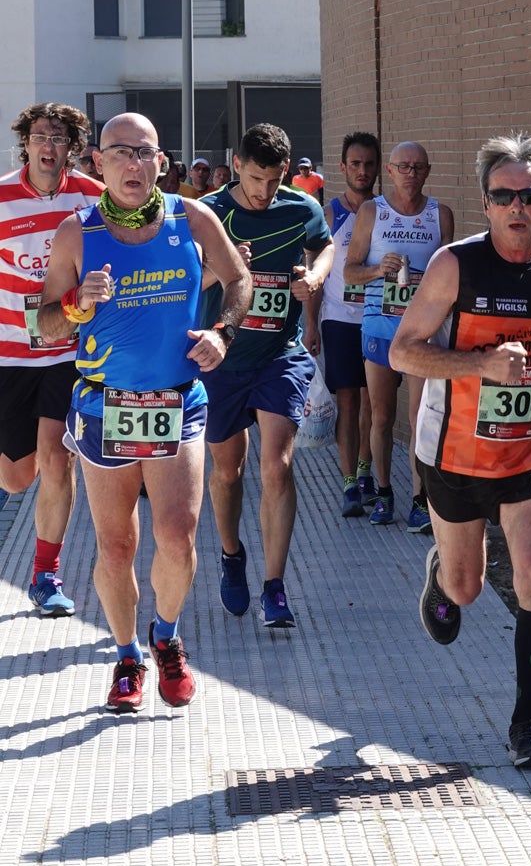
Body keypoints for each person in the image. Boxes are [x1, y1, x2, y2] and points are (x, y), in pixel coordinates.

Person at [390, 132, 531, 770]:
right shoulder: (456, 265)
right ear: (485, 204)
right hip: (454, 455)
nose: (517, 206)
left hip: (530, 453)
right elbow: (404, 350)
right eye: (502, 195)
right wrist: (481, 363)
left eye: (529, 195)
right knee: (466, 589)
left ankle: (526, 725)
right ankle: (441, 573)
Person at [37, 113, 252, 713]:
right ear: (97, 164)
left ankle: (168, 636)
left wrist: (223, 332)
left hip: (177, 402)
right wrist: (78, 304)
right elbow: (44, 321)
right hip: (105, 404)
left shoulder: (193, 217)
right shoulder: (76, 233)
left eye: (145, 153)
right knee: (115, 545)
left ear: (163, 162)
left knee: (178, 538)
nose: (134, 164)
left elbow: (240, 281)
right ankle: (127, 656)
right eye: (120, 153)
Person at [199, 122, 334, 627]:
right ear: (237, 165)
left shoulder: (302, 208)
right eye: (256, 179)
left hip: (280, 353)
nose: (263, 192)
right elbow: (192, 280)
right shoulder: (210, 211)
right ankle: (233, 557)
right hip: (222, 358)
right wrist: (230, 268)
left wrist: (316, 277)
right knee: (225, 472)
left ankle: (275, 586)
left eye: (274, 181)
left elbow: (325, 246)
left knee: (276, 466)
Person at [0, 102, 104, 617]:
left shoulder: (90, 197)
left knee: (56, 457)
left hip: (67, 353)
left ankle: (45, 574)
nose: (49, 146)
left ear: (72, 148)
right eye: (40, 136)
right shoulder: (0, 197)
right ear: (26, 142)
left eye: (59, 138)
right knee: (18, 477)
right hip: (9, 354)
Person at [343, 140, 454, 532]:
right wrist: (378, 270)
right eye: (403, 166)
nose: (411, 173)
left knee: (422, 417)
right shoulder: (373, 212)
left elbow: (450, 274)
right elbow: (349, 272)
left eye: (418, 167)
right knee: (382, 417)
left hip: (423, 333)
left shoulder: (440, 214)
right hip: (380, 328)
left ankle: (421, 500)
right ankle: (384, 492)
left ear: (427, 171)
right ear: (388, 171)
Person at [316, 131, 381, 517]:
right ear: (342, 167)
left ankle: (365, 472)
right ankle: (348, 484)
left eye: (369, 164)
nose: (362, 171)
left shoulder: (386, 211)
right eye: (355, 164)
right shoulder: (329, 214)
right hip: (339, 318)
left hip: (378, 318)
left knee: (374, 402)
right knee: (349, 400)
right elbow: (315, 274)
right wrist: (310, 326)